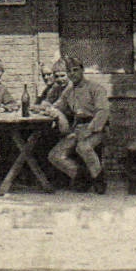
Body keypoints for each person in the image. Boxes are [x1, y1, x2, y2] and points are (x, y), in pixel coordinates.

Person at [48, 56, 111, 193]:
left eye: (75, 70)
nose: (72, 74)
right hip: (77, 129)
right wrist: (46, 108)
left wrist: (90, 129)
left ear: (82, 70)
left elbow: (103, 112)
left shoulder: (95, 88)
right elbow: (57, 106)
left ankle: (99, 179)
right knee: (55, 155)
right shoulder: (69, 92)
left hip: (97, 129)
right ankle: (82, 176)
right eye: (69, 71)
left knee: (83, 147)